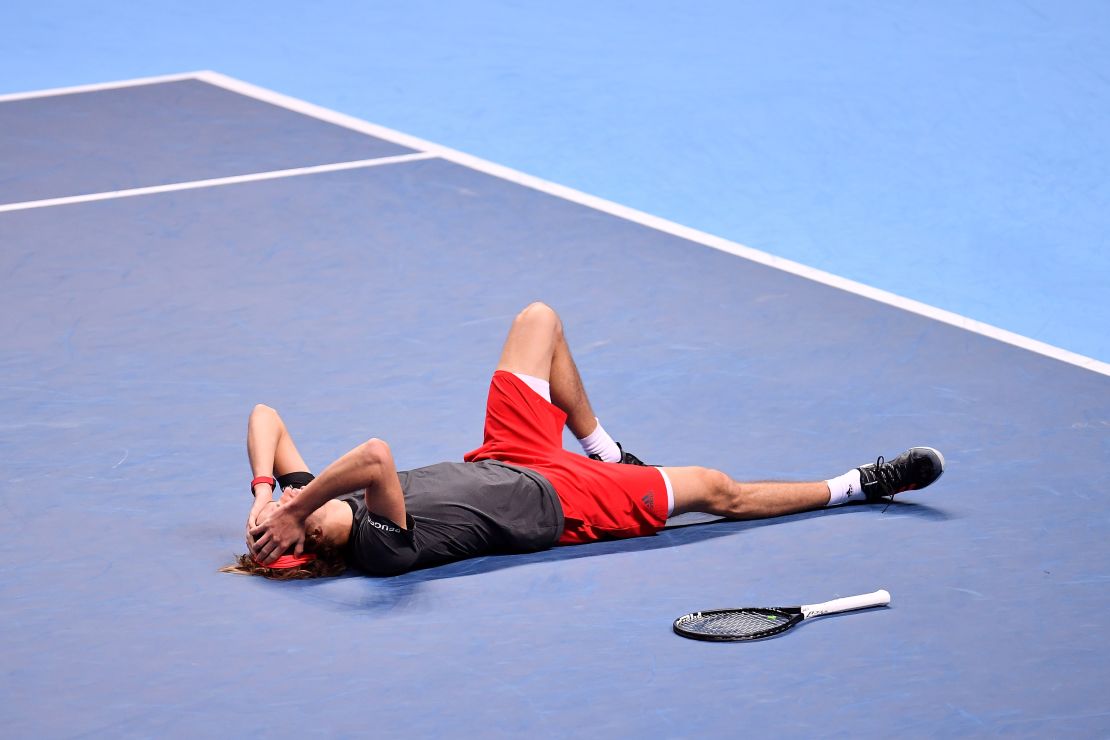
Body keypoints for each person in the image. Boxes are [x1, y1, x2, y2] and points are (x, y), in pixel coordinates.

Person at [226, 302, 944, 579]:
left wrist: (267, 493)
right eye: (297, 521)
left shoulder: (312, 508)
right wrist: (295, 505)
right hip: (563, 503)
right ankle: (859, 483)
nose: (299, 506)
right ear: (307, 549)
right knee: (715, 489)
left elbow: (266, 415)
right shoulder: (379, 546)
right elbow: (374, 456)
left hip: (504, 455)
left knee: (538, 320)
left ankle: (606, 445)